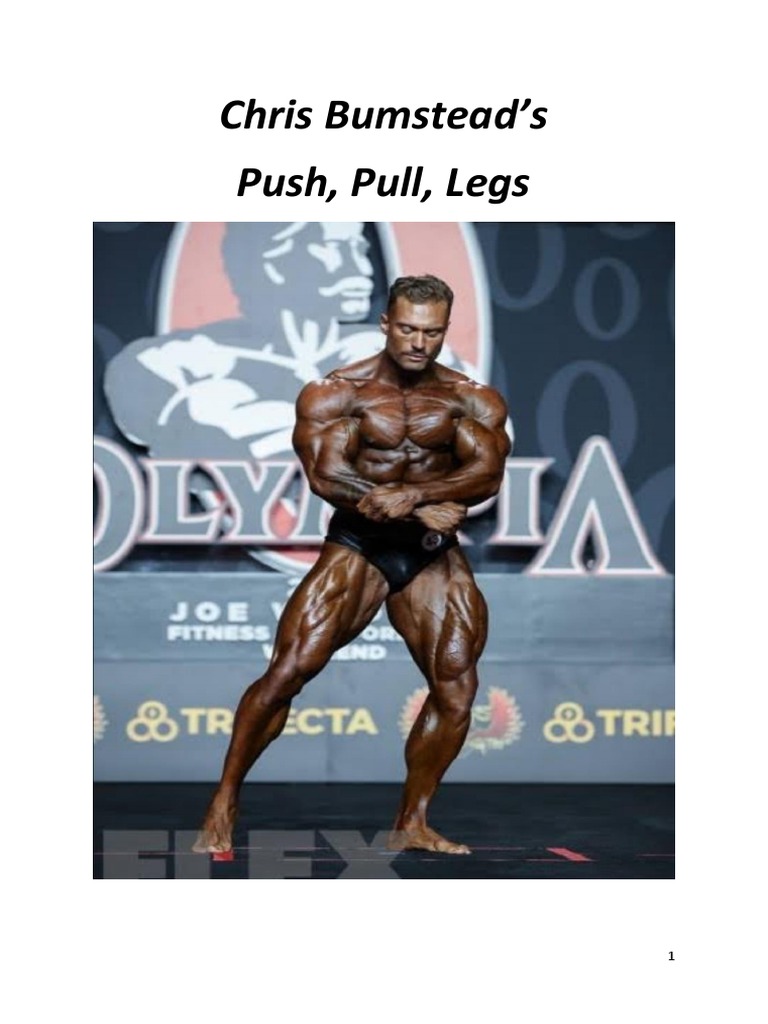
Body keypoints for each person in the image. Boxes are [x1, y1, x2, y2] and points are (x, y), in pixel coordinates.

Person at [194, 274, 510, 856]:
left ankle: (412, 821)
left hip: (430, 553)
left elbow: (487, 474)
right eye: (408, 329)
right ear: (386, 324)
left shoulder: (471, 398)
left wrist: (415, 496)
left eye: (432, 333)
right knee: (288, 671)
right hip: (359, 545)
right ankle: (224, 799)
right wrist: (418, 505)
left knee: (458, 690)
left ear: (446, 330)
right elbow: (326, 476)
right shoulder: (336, 393)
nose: (419, 343)